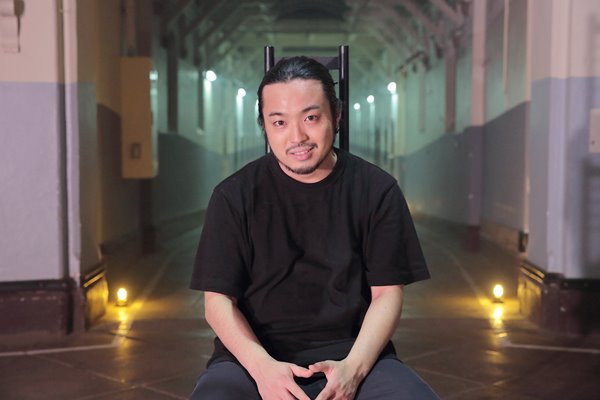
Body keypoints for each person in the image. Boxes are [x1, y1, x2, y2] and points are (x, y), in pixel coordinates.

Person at [189, 56, 439, 400]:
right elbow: (217, 301)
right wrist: (262, 368)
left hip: (354, 352)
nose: (297, 137)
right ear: (264, 126)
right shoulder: (233, 196)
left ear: (336, 116)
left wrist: (354, 370)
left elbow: (387, 294)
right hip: (254, 356)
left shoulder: (377, 190)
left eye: (311, 117)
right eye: (279, 122)